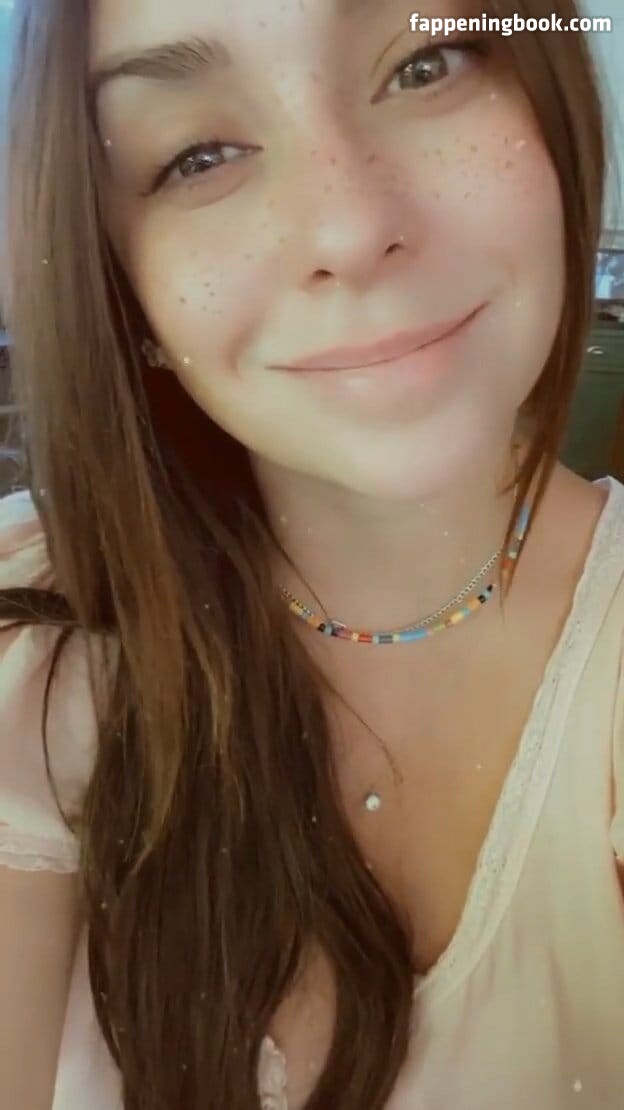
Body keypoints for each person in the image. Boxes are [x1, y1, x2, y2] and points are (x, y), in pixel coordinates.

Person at [0, 0, 623, 1107]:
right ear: (121, 284)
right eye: (197, 155)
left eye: (425, 64)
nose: (348, 229)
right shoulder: (35, 646)